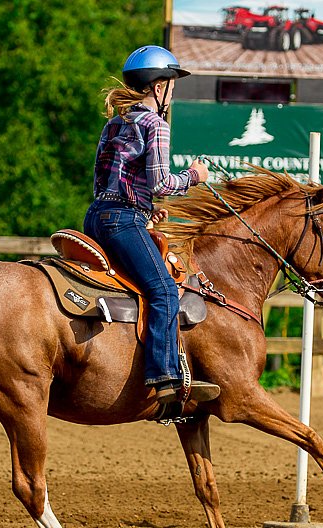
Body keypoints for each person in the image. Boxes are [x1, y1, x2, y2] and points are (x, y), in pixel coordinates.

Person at [83, 45, 219, 406]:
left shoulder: (114, 122)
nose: (172, 92)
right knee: (163, 291)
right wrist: (195, 175)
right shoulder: (155, 124)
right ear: (159, 87)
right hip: (122, 220)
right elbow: (161, 183)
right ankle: (164, 378)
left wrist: (144, 208)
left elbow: (108, 181)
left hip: (97, 216)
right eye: (171, 84)